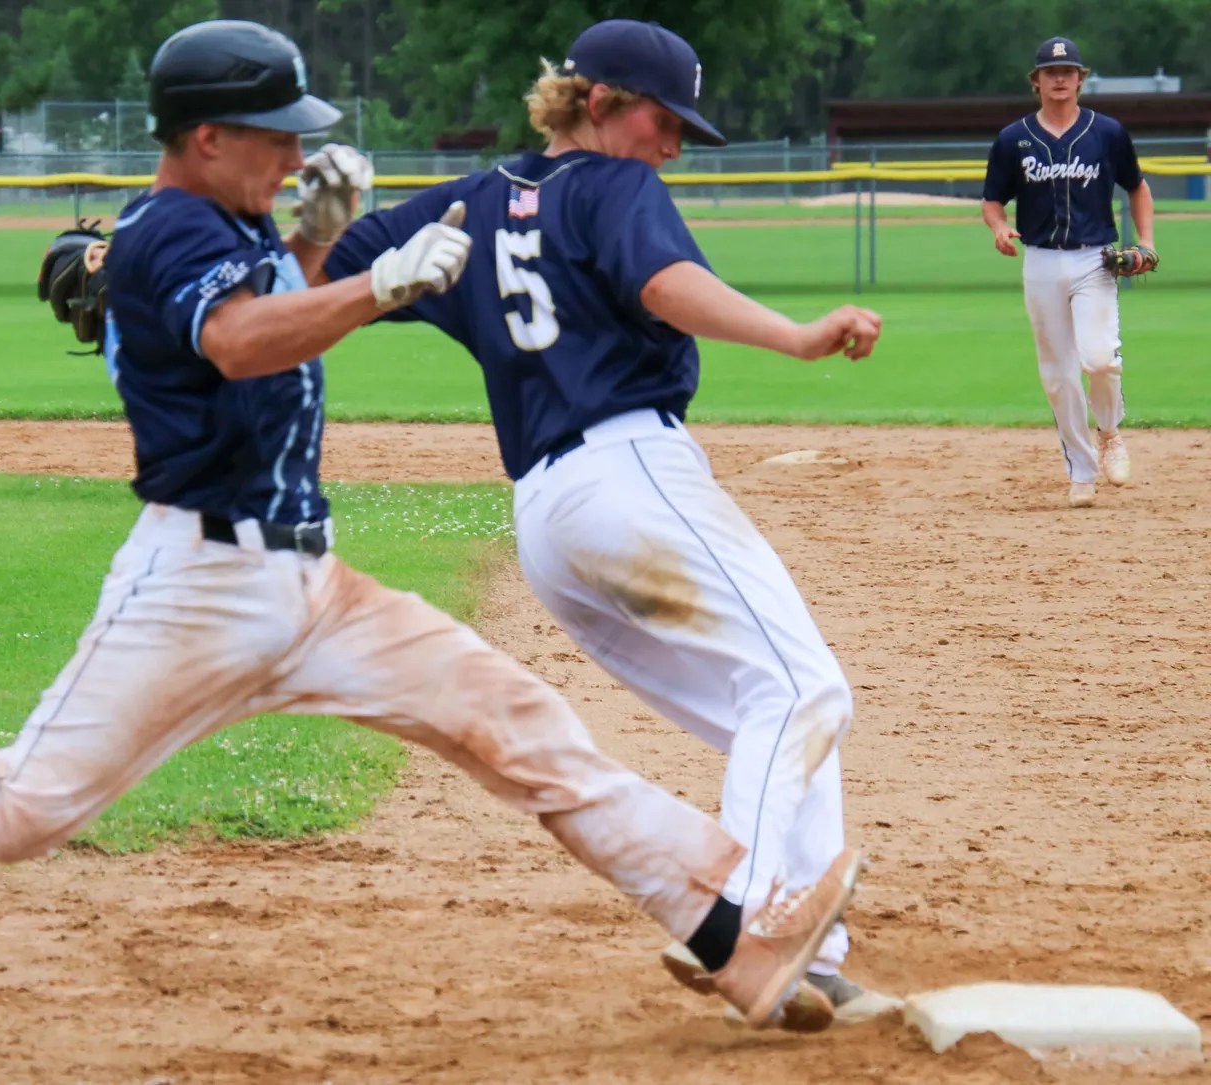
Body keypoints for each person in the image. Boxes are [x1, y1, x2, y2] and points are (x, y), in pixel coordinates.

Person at [0, 19, 861, 1034]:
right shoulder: (170, 230)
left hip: (315, 589)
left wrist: (317, 238)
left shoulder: (229, 228)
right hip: (197, 587)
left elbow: (274, 293)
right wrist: (372, 281)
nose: (292, 156)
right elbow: (237, 341)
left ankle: (733, 933)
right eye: (275, 141)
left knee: (526, 731)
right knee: (13, 814)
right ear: (205, 138)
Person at [322, 19, 894, 1026]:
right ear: (597, 104)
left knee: (779, 710)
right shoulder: (612, 187)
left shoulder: (473, 200)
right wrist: (794, 335)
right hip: (629, 470)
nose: (669, 147)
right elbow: (663, 285)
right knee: (805, 687)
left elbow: (334, 268)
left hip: (548, 519)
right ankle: (742, 917)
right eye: (660, 121)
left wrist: (299, 229)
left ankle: (812, 960)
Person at [982, 36, 1156, 509]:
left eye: (1068, 71)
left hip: (1093, 258)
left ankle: (1111, 434)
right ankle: (1081, 470)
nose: (1059, 79)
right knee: (1058, 376)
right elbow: (993, 200)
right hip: (1040, 260)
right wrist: (999, 228)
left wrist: (1145, 242)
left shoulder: (1108, 133)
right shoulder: (1013, 139)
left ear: (1081, 78)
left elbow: (1138, 188)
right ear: (1036, 82)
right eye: (1050, 72)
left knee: (1099, 359)